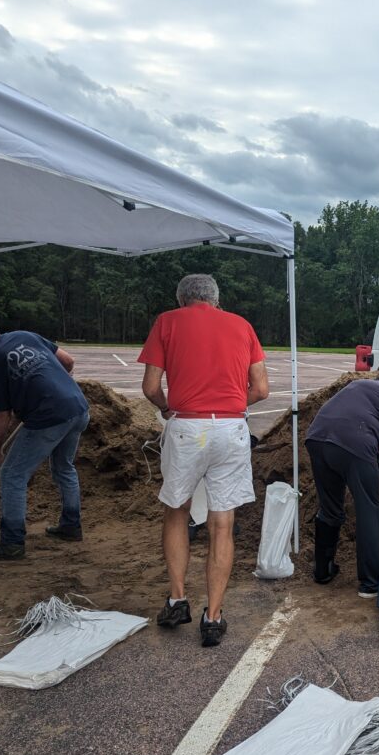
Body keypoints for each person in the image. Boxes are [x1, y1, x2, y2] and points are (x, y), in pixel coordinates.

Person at [139, 274, 269, 648]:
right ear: (216, 299)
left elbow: (150, 387)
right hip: (231, 429)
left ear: (182, 299)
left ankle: (178, 599)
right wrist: (229, 408)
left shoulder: (167, 322)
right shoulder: (242, 326)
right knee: (222, 521)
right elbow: (261, 389)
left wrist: (167, 408)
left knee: (177, 509)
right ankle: (214, 616)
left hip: (187, 427)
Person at [0, 317, 90, 562]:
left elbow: (1, 414)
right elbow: (68, 361)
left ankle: (11, 543)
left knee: (12, 474)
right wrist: (50, 387)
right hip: (78, 409)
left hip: (49, 417)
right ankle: (71, 526)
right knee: (64, 468)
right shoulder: (25, 335)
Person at [305, 364, 379, 598]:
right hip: (354, 445)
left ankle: (322, 571)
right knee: (369, 509)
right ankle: (370, 583)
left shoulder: (359, 386)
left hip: (316, 439)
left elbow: (362, 429)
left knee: (330, 509)